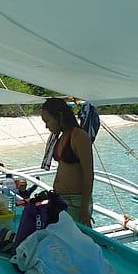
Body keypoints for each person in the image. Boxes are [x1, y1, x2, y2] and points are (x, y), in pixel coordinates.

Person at [41, 97, 94, 226]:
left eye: (48, 120)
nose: (46, 125)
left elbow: (89, 174)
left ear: (59, 116)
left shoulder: (78, 136)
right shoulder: (61, 135)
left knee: (75, 242)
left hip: (75, 201)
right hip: (60, 199)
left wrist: (84, 209)